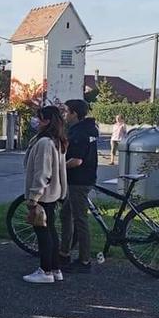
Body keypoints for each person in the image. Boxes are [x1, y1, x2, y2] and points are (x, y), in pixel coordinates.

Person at [23, 105, 68, 284]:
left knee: (42, 232)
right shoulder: (57, 140)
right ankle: (55, 268)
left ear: (47, 121)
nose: (36, 121)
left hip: (43, 194)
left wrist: (34, 197)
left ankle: (45, 270)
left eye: (39, 118)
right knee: (50, 231)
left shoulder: (44, 143)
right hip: (54, 193)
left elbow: (42, 172)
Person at [59, 99, 98, 274]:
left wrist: (57, 167)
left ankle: (84, 261)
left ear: (74, 113)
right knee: (65, 213)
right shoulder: (89, 128)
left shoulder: (79, 133)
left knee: (80, 219)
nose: (64, 115)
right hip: (85, 178)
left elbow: (76, 160)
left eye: (66, 112)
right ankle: (63, 251)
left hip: (78, 181)